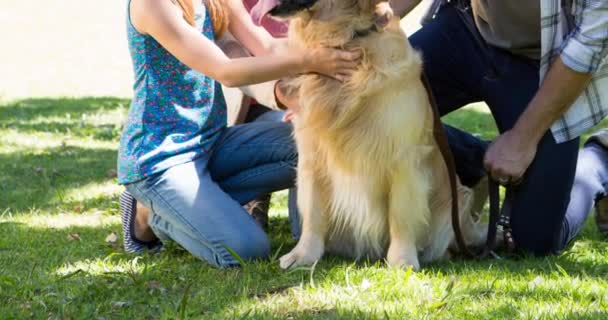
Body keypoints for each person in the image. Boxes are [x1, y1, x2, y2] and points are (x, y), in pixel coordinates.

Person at [118, 0, 359, 268]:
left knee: (315, 148)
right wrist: (308, 61)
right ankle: (154, 214)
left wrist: (343, 47)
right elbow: (225, 71)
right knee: (246, 249)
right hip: (160, 159)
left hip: (210, 142)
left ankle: (190, 207)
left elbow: (267, 47)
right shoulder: (152, 5)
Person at [391, 0, 608, 255]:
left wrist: (522, 140)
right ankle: (473, 160)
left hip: (543, 66)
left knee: (530, 243)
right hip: (465, 29)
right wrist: (356, 30)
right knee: (364, 110)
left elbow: (587, 46)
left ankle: (598, 161)